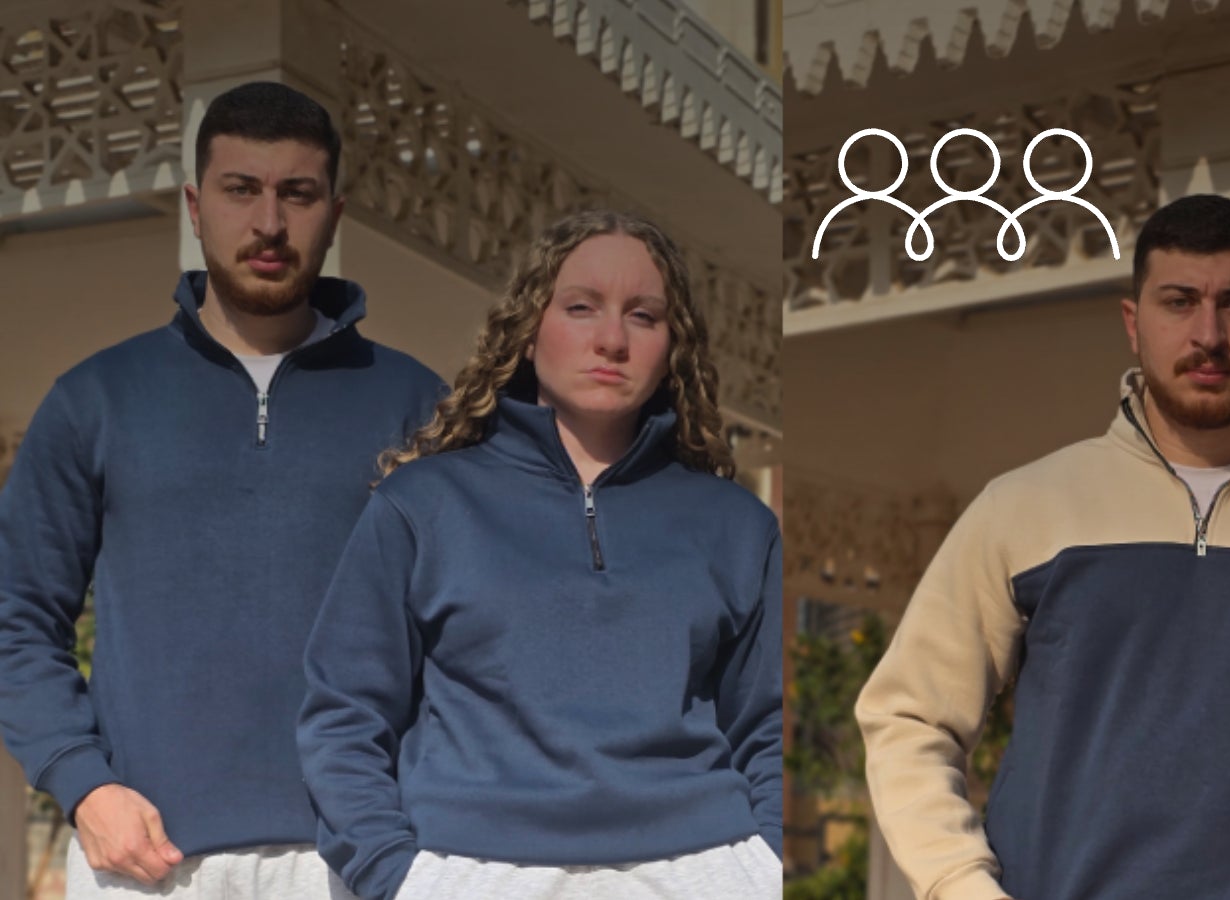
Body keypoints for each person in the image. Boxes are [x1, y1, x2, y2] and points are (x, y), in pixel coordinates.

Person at [854, 194, 1230, 900]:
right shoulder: (1025, 508)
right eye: (1179, 302)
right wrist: (961, 886)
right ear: (1133, 323)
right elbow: (909, 715)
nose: (1208, 334)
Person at [0, 80, 443, 899]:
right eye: (242, 191)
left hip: (355, 860)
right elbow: (16, 617)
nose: (269, 223)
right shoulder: (97, 399)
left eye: (296, 194)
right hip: (142, 858)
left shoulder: (417, 406)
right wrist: (83, 785)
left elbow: (467, 633)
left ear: (335, 214)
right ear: (196, 209)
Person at [295, 209, 782, 900]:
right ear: (528, 332)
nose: (611, 339)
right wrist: (395, 877)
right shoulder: (424, 504)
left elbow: (768, 725)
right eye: (581, 307)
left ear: (673, 345)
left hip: (702, 865)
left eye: (643, 316)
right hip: (472, 867)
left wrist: (766, 867)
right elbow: (344, 714)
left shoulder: (738, 527)